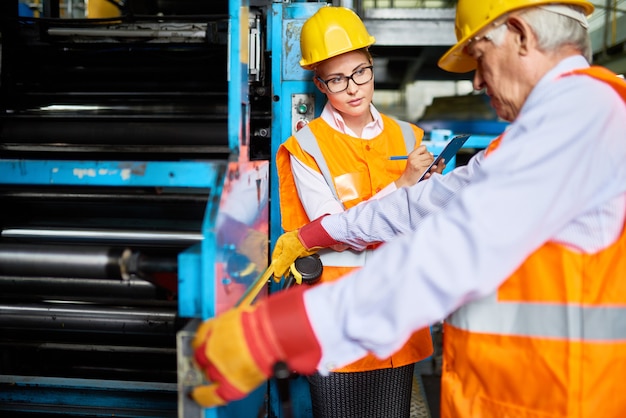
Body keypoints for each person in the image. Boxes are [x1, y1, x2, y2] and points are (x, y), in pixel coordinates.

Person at [190, 0, 626, 417]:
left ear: (520, 35)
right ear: (320, 84)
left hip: (568, 397)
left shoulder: (581, 116)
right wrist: (314, 234)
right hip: (526, 392)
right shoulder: (548, 127)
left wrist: (277, 331)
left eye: (478, 57)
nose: (476, 81)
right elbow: (423, 204)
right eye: (337, 78)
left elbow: (453, 247)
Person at [275, 6, 441, 418]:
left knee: (391, 411)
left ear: (372, 66)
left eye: (360, 72)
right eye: (336, 79)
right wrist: (403, 185)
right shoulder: (308, 147)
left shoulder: (408, 136)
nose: (352, 88)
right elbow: (333, 228)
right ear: (319, 84)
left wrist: (430, 189)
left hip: (397, 308)